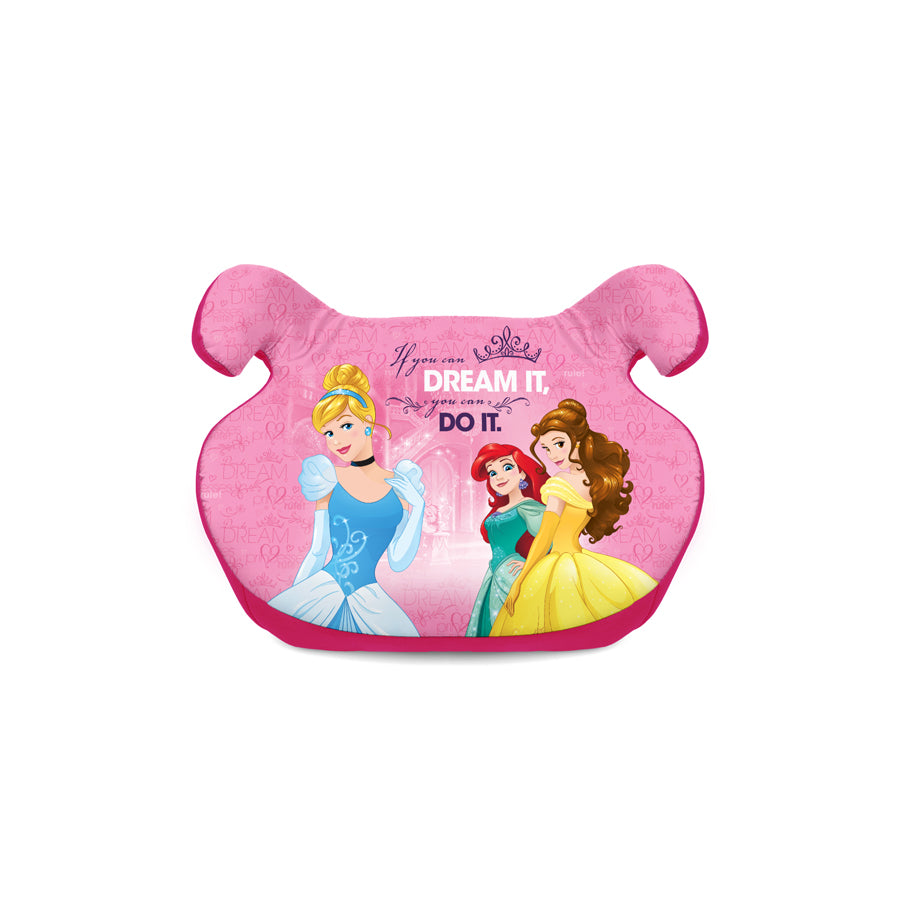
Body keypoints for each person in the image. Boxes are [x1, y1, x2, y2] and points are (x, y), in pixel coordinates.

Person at [268, 364, 424, 635]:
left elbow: (398, 561)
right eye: (329, 433)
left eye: (346, 425)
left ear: (368, 424)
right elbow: (318, 551)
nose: (336, 440)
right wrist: (297, 596)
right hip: (322, 587)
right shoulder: (328, 479)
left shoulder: (400, 486)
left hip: (369, 599)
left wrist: (419, 507)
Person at [489, 399, 657, 636]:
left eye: (559, 444)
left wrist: (521, 579)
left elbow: (545, 535)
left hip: (556, 565)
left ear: (577, 440)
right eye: (546, 448)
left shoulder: (560, 482)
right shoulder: (595, 482)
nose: (553, 454)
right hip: (583, 561)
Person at [466, 444, 547, 637]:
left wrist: (531, 562)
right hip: (494, 573)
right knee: (491, 621)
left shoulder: (529, 506)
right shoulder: (500, 510)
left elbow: (549, 537)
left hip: (513, 573)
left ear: (522, 473)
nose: (499, 477)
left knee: (513, 621)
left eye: (507, 467)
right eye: (492, 473)